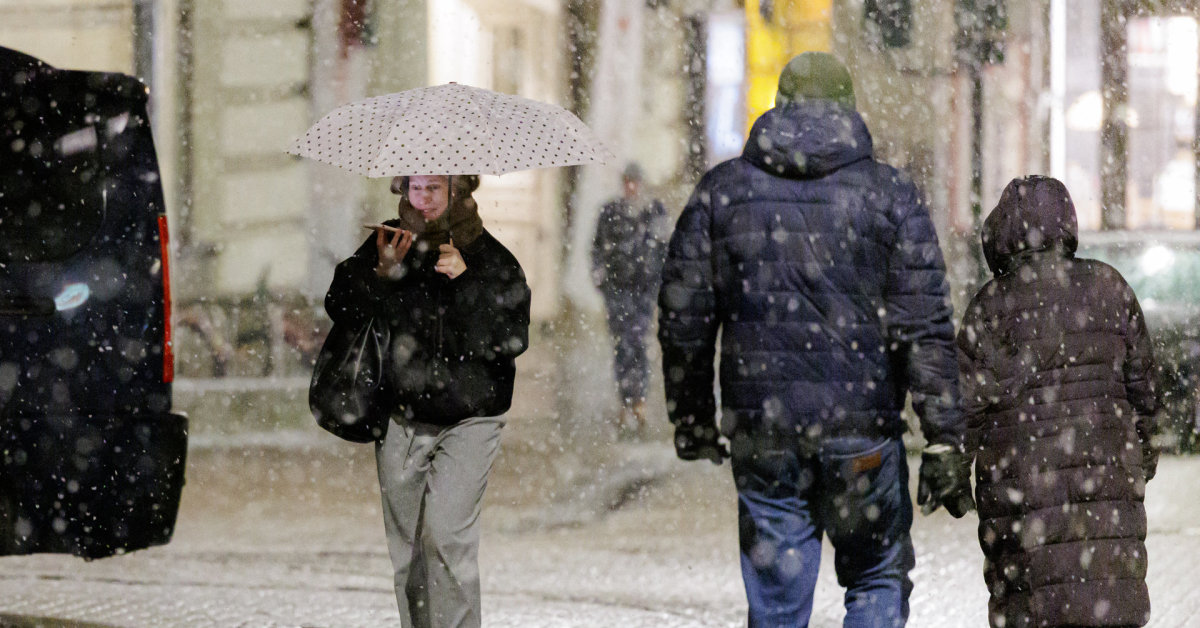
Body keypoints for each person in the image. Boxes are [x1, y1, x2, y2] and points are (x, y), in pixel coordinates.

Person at [658, 52, 973, 627]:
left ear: (776, 106)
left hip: (764, 433)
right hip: (863, 432)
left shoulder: (721, 192)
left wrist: (693, 416)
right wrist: (944, 437)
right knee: (877, 575)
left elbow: (686, 320)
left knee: (776, 598)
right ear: (851, 109)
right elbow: (923, 324)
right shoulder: (890, 194)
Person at [323, 174, 530, 628]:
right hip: (402, 416)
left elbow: (512, 335)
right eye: (416, 187)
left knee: (446, 538)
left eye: (435, 187)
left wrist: (467, 281)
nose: (425, 198)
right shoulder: (388, 244)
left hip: (472, 417)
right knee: (409, 551)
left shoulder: (488, 257)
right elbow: (339, 303)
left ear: (459, 190)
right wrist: (381, 273)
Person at [957, 175, 1160, 628]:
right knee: (1108, 593)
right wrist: (1145, 449)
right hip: (1107, 483)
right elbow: (1143, 386)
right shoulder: (1110, 287)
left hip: (1021, 489)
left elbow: (965, 406)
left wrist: (953, 472)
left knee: (1034, 605)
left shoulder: (990, 307)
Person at [591, 162, 669, 437]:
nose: (631, 188)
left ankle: (639, 399)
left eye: (635, 182)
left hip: (643, 291)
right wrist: (601, 279)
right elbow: (598, 249)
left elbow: (663, 250)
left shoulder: (654, 211)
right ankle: (626, 400)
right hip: (618, 290)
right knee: (623, 346)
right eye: (628, 182)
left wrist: (657, 282)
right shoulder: (610, 212)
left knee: (637, 344)